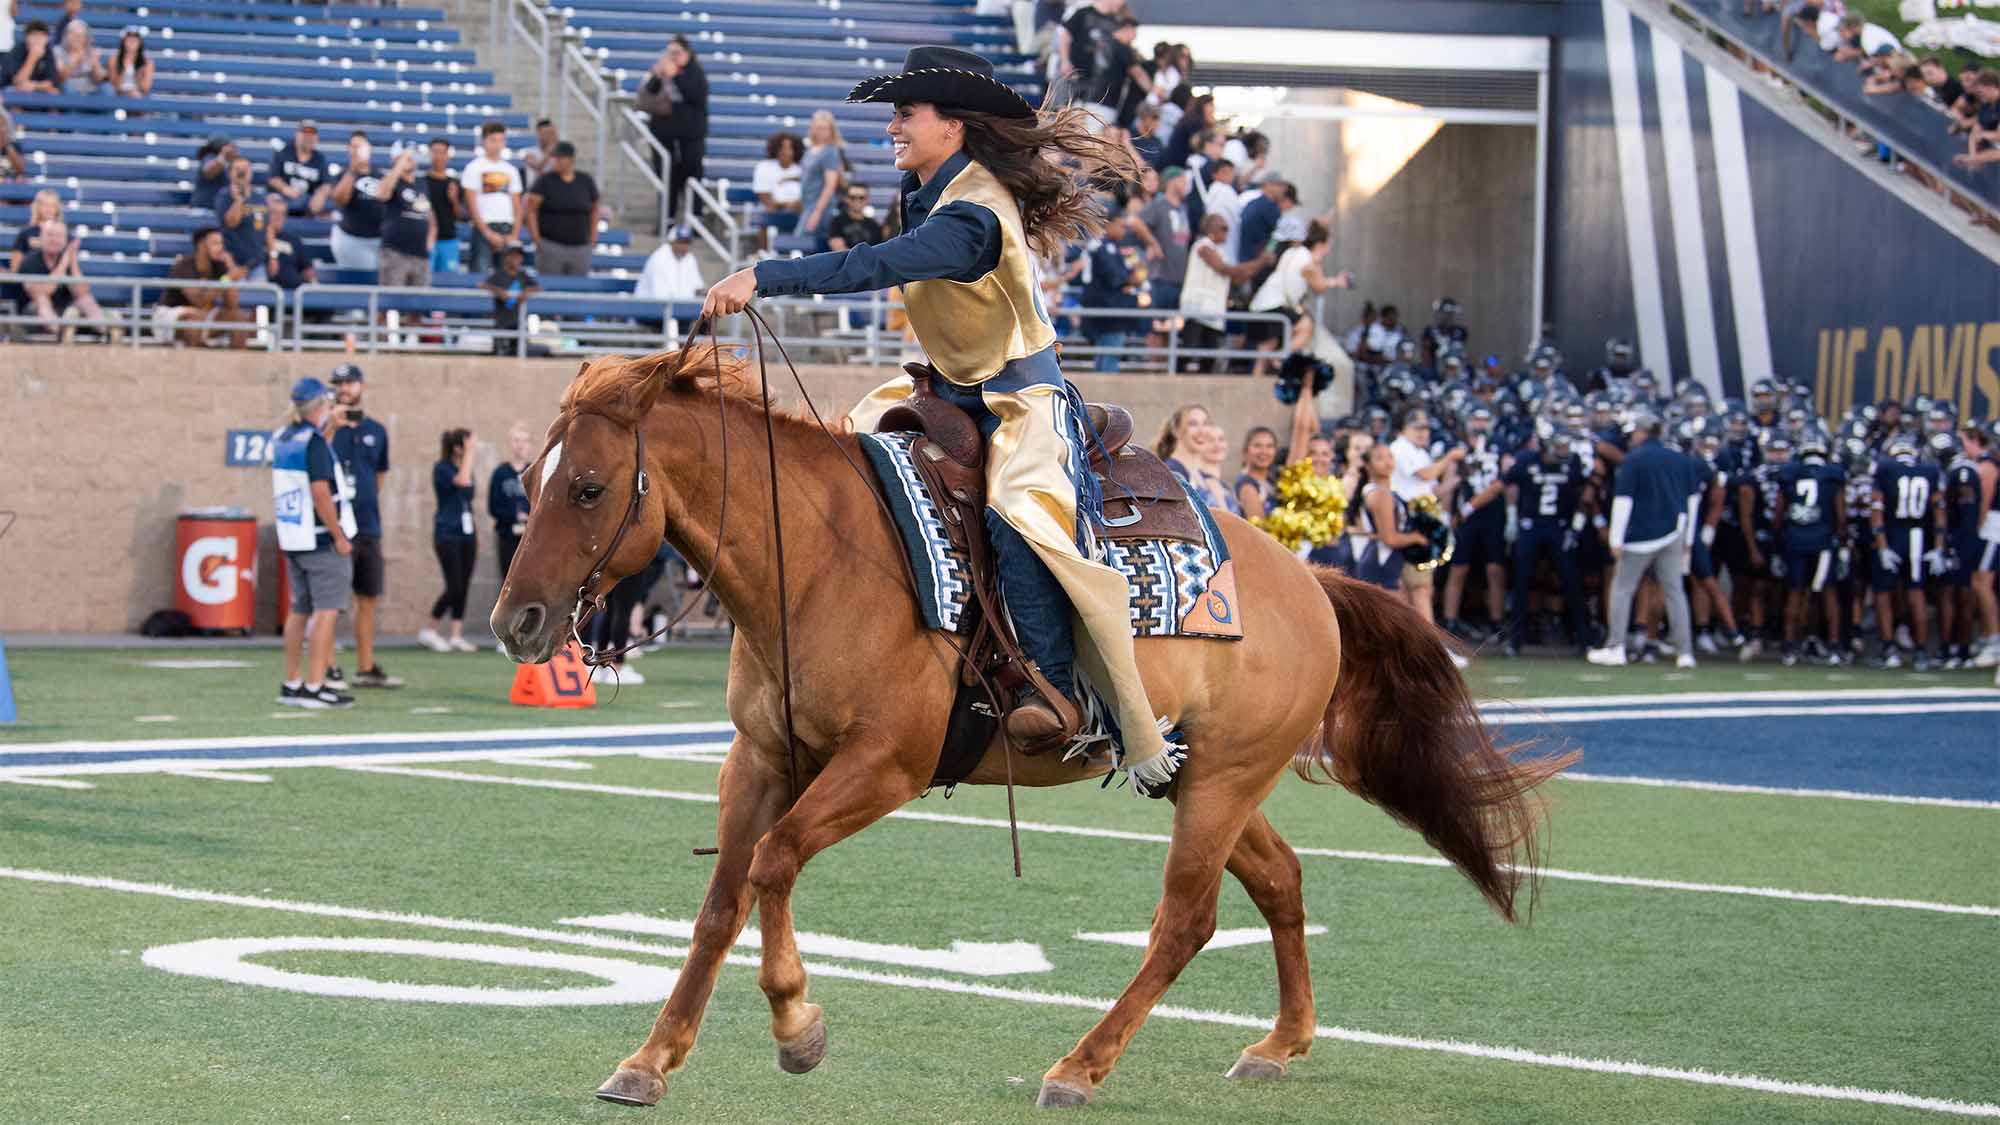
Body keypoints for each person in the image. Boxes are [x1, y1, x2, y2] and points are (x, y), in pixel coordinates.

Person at [699, 45, 1180, 790]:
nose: (892, 126)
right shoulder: (929, 187)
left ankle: (1050, 686)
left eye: (904, 113)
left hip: (1020, 397)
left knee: (1018, 510)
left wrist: (766, 274)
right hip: (952, 388)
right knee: (849, 448)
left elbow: (875, 265)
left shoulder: (972, 213)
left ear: (951, 127)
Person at [1589, 411, 1701, 669]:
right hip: (1675, 532)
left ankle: (1616, 646)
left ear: (1641, 432)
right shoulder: (1681, 460)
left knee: (1622, 589)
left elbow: (1623, 501)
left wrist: (1615, 539)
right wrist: (1689, 539)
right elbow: (1693, 501)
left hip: (1640, 536)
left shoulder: (1634, 460)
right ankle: (1685, 652)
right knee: (1675, 591)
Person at [272, 377, 357, 709]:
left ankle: (292, 681)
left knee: (299, 610)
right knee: (326, 612)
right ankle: (315, 684)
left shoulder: (284, 437)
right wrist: (338, 534)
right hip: (321, 540)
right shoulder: (313, 443)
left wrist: (329, 431)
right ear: (321, 406)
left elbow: (312, 456)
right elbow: (320, 490)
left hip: (294, 537)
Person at [327, 363, 401, 689]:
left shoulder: (377, 430)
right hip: (336, 527)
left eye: (350, 382)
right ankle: (327, 666)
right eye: (339, 383)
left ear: (361, 386)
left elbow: (379, 475)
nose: (345, 388)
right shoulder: (326, 427)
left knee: (367, 598)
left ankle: (365, 666)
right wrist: (331, 425)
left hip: (367, 525)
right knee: (329, 602)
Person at [1770, 431, 1848, 666]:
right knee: (1828, 593)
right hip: (1822, 540)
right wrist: (1842, 542)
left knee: (1795, 592)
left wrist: (1777, 542)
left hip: (1795, 538)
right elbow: (1841, 515)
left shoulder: (1790, 473)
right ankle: (1833, 646)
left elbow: (1778, 514)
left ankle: (1789, 647)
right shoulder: (1832, 475)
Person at [1870, 434, 1943, 669]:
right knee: (1916, 593)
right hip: (1918, 537)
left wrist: (1882, 546)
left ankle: (1889, 648)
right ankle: (1921, 651)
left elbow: (1877, 508)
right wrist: (1940, 547)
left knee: (1883, 594)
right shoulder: (1929, 470)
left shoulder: (1885, 468)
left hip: (1893, 534)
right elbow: (1939, 511)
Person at [1246, 220, 1351, 377]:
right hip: (1274, 305)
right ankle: (1280, 358)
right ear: (1321, 245)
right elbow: (1319, 286)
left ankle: (1257, 378)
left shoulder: (1293, 252)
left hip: (1261, 304)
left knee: (1267, 345)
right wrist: (1336, 281)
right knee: (1306, 326)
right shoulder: (1307, 260)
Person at [1176, 210, 1269, 372]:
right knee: (1189, 347)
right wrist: (1260, 262)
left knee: (1210, 352)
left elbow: (1238, 277)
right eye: (1223, 228)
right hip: (1197, 306)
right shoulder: (1203, 246)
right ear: (1211, 229)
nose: (1227, 232)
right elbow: (1225, 269)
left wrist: (1259, 264)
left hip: (1213, 310)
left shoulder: (1220, 253)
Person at [421, 427, 480, 654]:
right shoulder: (442, 468)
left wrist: (475, 535)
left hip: (467, 535)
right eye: (466, 445)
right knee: (454, 586)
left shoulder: (465, 468)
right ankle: (430, 630)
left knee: (463, 586)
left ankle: (456, 635)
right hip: (447, 534)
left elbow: (468, 501)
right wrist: (470, 454)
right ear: (457, 448)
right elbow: (463, 481)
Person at [636, 34, 707, 221]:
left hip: (690, 136)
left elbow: (696, 96)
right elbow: (649, 94)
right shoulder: (663, 71)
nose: (673, 57)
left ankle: (695, 218)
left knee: (691, 175)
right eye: (670, 53)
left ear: (688, 53)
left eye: (677, 53)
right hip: (665, 133)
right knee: (667, 177)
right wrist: (658, 75)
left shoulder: (695, 73)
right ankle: (667, 218)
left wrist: (676, 75)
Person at [1349, 442, 1427, 591]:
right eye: (1379, 458)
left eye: (1390, 456)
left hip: (1387, 561)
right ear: (1368, 465)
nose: (1387, 462)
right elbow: (1390, 539)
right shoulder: (1380, 494)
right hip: (1380, 562)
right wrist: (1417, 537)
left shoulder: (1386, 491)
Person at [155, 227, 251, 347]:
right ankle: (194, 364)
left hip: (203, 315)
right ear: (201, 245)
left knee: (239, 317)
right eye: (215, 243)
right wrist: (226, 280)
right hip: (172, 314)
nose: (220, 248)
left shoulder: (219, 265)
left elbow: (232, 304)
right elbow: (198, 300)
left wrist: (230, 269)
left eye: (221, 243)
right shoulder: (184, 265)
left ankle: (237, 364)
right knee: (194, 320)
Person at [19, 219, 107, 341]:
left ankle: (107, 331)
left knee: (85, 300)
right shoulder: (30, 261)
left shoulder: (70, 259)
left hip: (67, 311)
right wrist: (64, 263)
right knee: (42, 300)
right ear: (41, 237)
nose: (54, 240)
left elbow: (82, 291)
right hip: (35, 315)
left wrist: (73, 262)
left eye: (59, 236)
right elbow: (44, 291)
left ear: (66, 240)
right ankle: (60, 333)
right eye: (50, 235)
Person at [1080, 204, 1141, 372]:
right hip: (1107, 310)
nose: (1124, 231)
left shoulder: (1111, 247)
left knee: (1107, 352)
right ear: (1109, 225)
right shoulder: (1101, 247)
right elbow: (1116, 277)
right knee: (1109, 354)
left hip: (1110, 308)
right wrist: (1131, 280)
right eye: (1121, 226)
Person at [524, 141, 599, 276]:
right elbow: (531, 210)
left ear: (571, 159)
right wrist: (537, 239)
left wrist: (593, 237)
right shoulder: (545, 181)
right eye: (554, 158)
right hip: (551, 245)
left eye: (560, 158)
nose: (555, 161)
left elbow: (594, 209)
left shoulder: (585, 180)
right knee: (549, 290)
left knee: (578, 290)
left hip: (580, 247)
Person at [461, 119, 524, 276]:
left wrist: (514, 235)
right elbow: (471, 203)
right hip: (485, 227)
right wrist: (487, 232)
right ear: (484, 141)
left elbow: (517, 205)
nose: (497, 145)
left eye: (501, 140)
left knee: (507, 278)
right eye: (493, 140)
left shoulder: (511, 170)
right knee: (479, 275)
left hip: (507, 228)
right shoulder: (474, 167)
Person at [376, 148, 436, 289]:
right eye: (404, 157)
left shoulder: (422, 184)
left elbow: (430, 216)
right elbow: (381, 194)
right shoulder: (391, 181)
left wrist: (430, 242)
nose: (409, 160)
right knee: (388, 301)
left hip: (421, 254)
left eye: (411, 157)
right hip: (395, 252)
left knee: (419, 305)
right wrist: (398, 166)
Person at [328, 131, 386, 270]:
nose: (358, 150)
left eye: (361, 146)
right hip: (353, 239)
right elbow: (340, 199)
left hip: (379, 240)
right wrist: (353, 170)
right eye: (354, 146)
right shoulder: (342, 175)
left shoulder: (380, 176)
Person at [489, 422, 534, 580]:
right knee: (508, 581)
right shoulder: (500, 473)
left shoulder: (534, 472)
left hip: (531, 539)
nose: (520, 445)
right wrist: (515, 516)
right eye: (516, 440)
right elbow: (493, 507)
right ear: (510, 444)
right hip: (507, 536)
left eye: (524, 441)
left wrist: (529, 517)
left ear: (529, 445)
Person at [214, 155, 267, 282]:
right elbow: (231, 223)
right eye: (238, 169)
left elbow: (265, 226)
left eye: (246, 169)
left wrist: (272, 255)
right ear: (230, 173)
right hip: (233, 264)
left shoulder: (259, 197)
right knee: (235, 300)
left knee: (261, 300)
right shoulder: (224, 196)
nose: (242, 173)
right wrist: (238, 200)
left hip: (256, 263)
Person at [798, 111, 848, 244]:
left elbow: (830, 185)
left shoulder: (830, 151)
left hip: (821, 206)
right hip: (807, 204)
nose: (822, 132)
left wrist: (817, 212)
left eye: (825, 128)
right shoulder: (811, 149)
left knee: (801, 240)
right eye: (819, 128)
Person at [480, 242, 538, 354]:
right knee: (501, 354)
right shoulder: (499, 275)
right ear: (506, 257)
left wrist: (526, 291)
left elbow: (537, 287)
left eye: (519, 256)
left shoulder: (523, 276)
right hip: (502, 325)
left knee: (520, 351)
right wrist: (498, 291)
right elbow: (482, 285)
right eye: (512, 255)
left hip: (518, 324)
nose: (516, 259)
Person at [268, 121, 331, 218]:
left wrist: (320, 195)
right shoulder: (284, 152)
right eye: (305, 134)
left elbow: (326, 183)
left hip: (307, 204)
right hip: (284, 200)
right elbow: (273, 178)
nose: (308, 138)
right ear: (297, 135)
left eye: (311, 135)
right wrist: (285, 189)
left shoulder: (319, 158)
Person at [423, 137, 464, 274]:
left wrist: (454, 200)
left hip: (448, 239)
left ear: (448, 155)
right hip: (426, 240)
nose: (438, 156)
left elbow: (460, 216)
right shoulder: (421, 182)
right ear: (429, 154)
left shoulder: (455, 184)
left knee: (450, 282)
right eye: (435, 152)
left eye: (442, 152)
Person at [633, 224, 704, 302]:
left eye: (687, 242)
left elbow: (697, 287)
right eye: (681, 242)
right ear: (672, 242)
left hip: (677, 308)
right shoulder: (659, 259)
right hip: (648, 308)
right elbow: (660, 297)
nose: (685, 246)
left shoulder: (689, 258)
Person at [263, 196, 316, 296]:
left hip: (296, 293)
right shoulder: (256, 238)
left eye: (282, 213)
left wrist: (314, 285)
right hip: (269, 293)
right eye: (274, 213)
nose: (279, 217)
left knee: (325, 309)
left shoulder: (293, 239)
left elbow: (307, 269)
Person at [751, 132, 804, 228]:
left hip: (799, 209)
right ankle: (764, 243)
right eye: (781, 148)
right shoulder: (764, 167)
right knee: (764, 213)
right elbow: (764, 196)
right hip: (773, 207)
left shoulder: (803, 169)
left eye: (789, 148)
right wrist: (784, 205)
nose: (785, 151)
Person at [1233, 425, 1279, 516]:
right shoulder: (1247, 485)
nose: (1264, 451)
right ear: (1246, 450)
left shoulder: (1272, 480)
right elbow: (1258, 526)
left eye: (1269, 446)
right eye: (1257, 446)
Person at [826, 184, 886, 251]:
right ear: (846, 199)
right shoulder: (837, 221)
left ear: (867, 199)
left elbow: (877, 251)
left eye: (861, 197)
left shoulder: (874, 225)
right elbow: (837, 248)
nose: (857, 200)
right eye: (853, 197)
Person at [4, 20, 57, 92]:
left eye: (42, 35)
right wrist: (32, 58)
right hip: (12, 88)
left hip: (36, 87)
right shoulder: (17, 50)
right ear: (27, 37)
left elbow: (51, 81)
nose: (38, 39)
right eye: (34, 35)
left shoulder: (48, 51)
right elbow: (17, 81)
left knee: (54, 92)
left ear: (47, 39)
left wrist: (35, 86)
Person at [190, 134, 236, 212]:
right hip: (204, 209)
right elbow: (208, 172)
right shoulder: (209, 157)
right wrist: (223, 156)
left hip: (220, 209)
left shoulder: (231, 164)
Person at [55, 18, 101, 93]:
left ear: (86, 38)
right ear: (66, 36)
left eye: (80, 36)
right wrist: (76, 58)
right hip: (67, 86)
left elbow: (98, 79)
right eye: (73, 34)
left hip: (88, 86)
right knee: (68, 87)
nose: (76, 38)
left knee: (106, 89)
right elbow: (61, 77)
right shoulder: (58, 51)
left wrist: (95, 64)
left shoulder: (91, 52)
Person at [108, 25, 151, 97]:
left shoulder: (147, 62)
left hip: (138, 96)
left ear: (140, 42)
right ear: (123, 41)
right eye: (129, 37)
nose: (132, 41)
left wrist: (138, 75)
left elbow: (145, 88)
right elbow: (114, 86)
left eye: (135, 38)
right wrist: (123, 69)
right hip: (118, 96)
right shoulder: (114, 59)